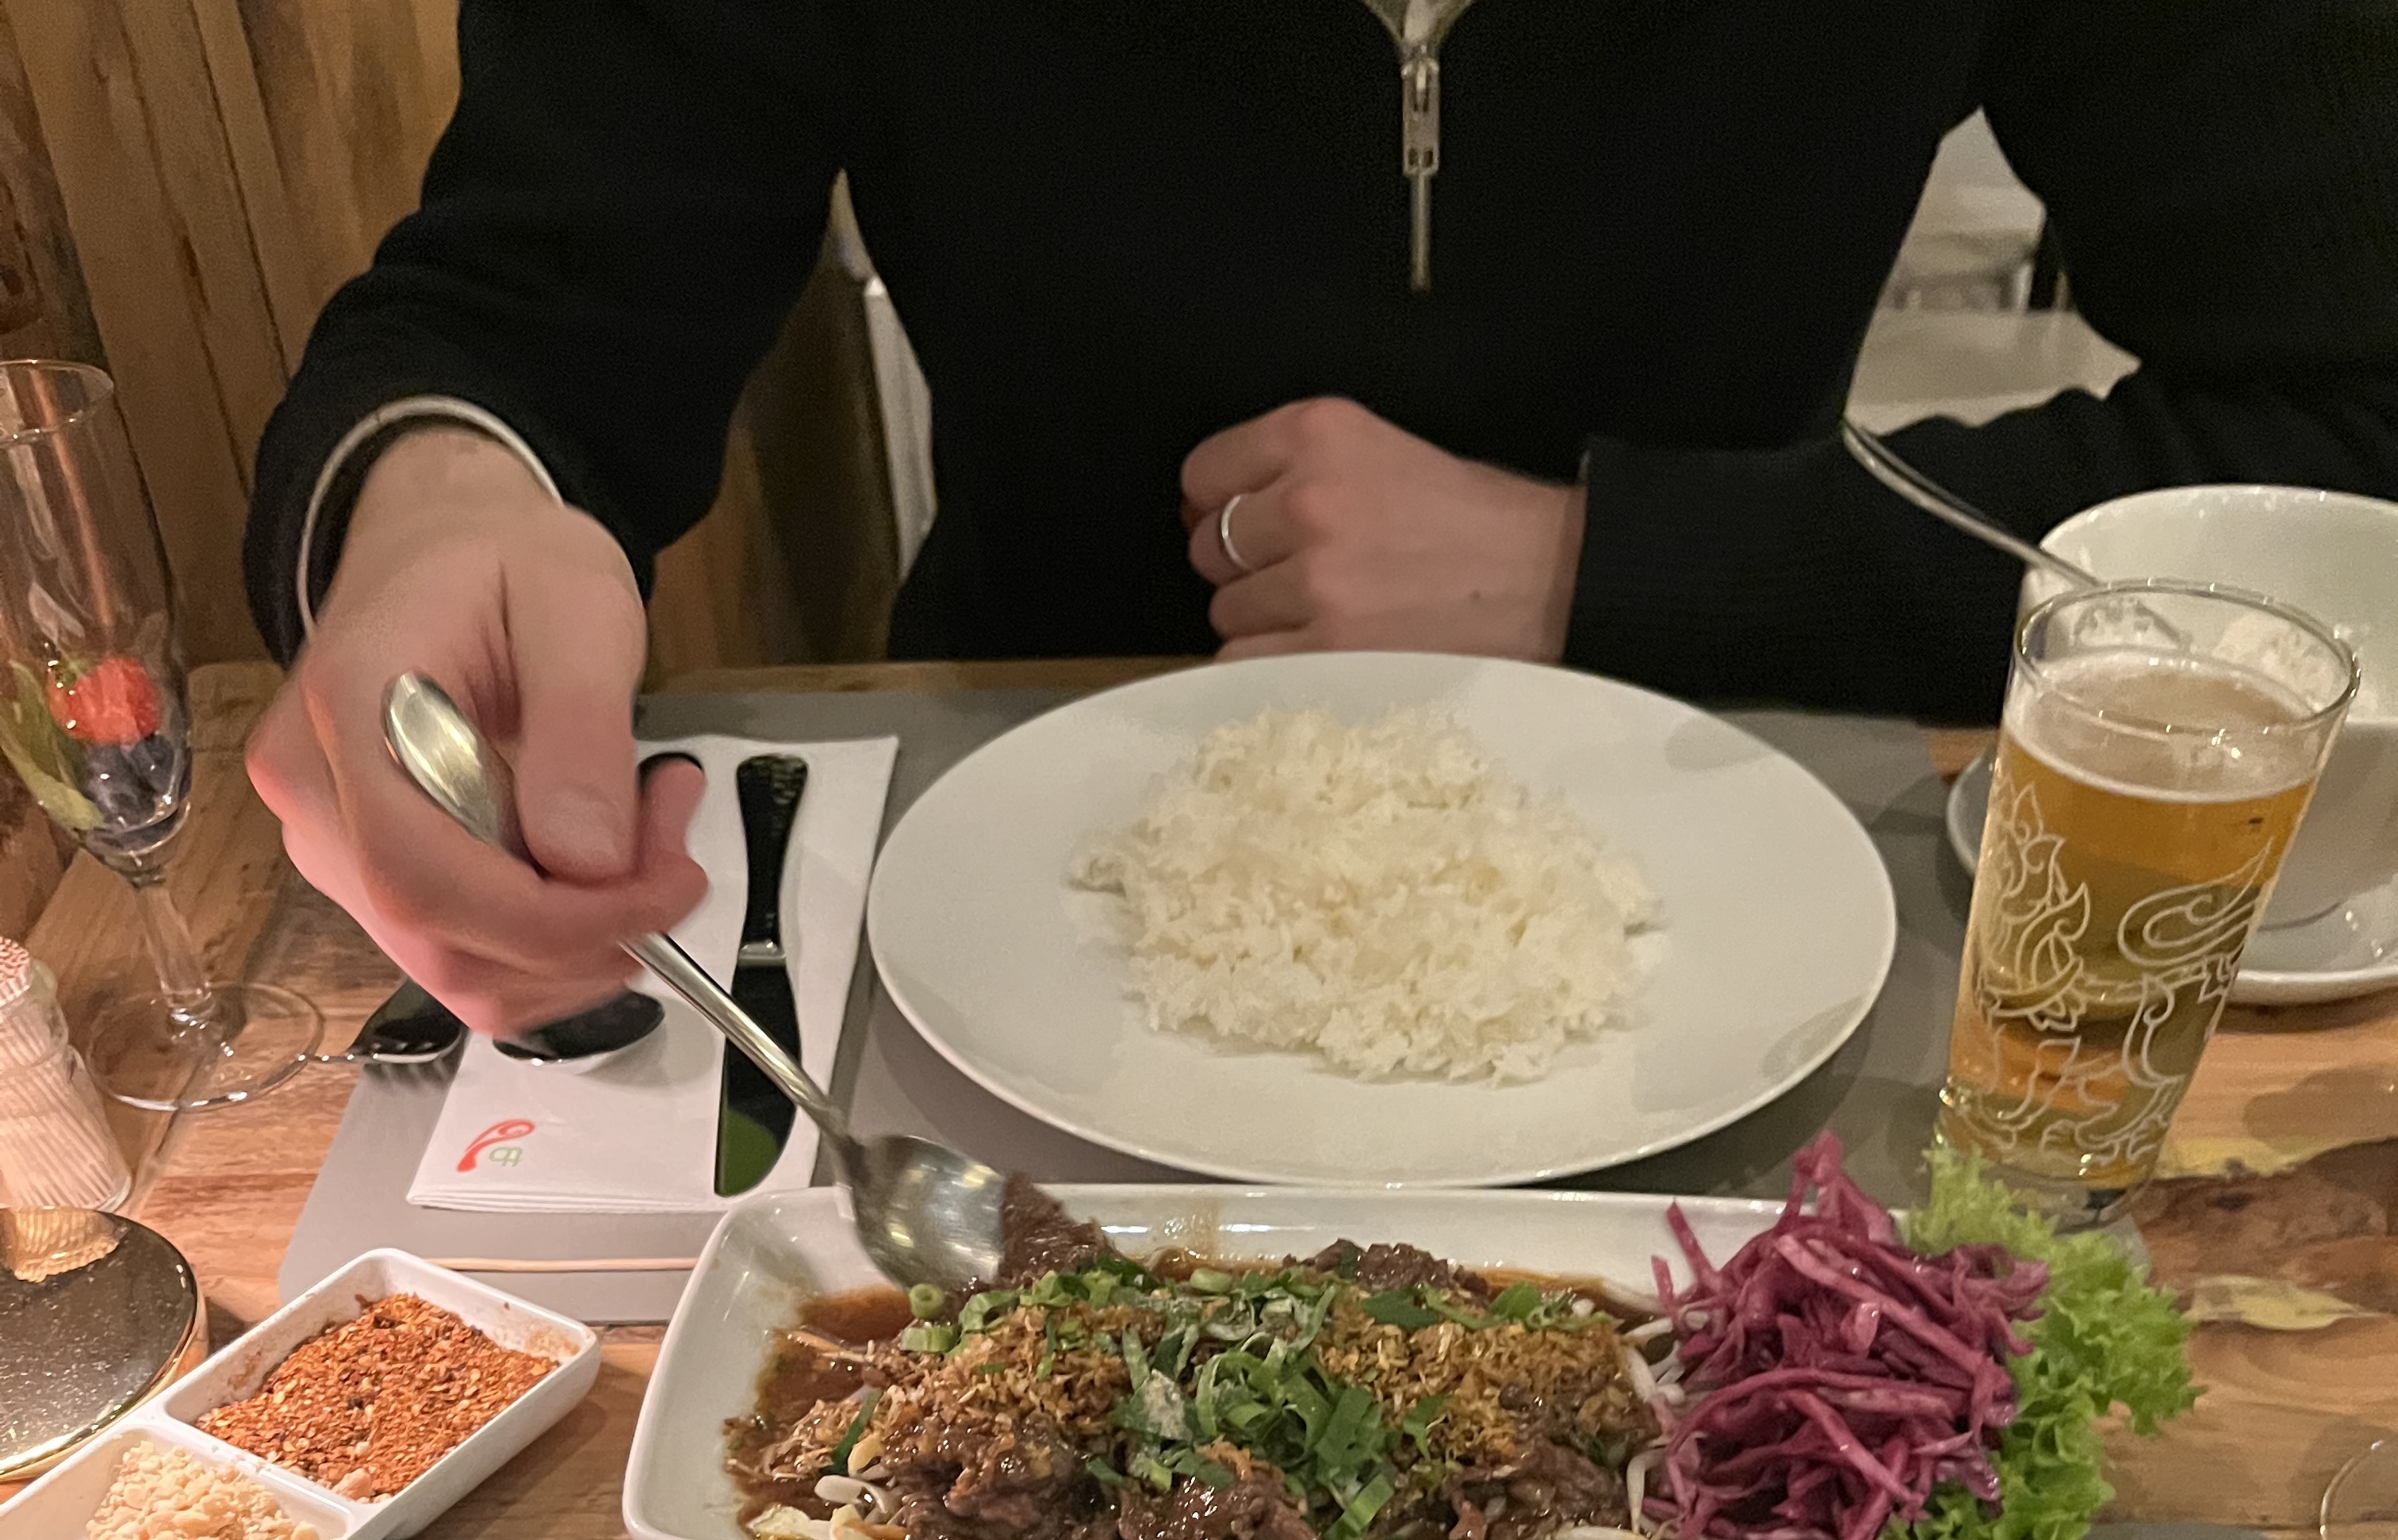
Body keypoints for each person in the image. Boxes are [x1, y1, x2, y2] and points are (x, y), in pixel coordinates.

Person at [243, 0, 2398, 1036]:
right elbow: (521, 303)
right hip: (1000, 909)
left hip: (1749, 865)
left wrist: (1608, 556)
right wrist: (433, 500)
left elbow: (2352, 405)